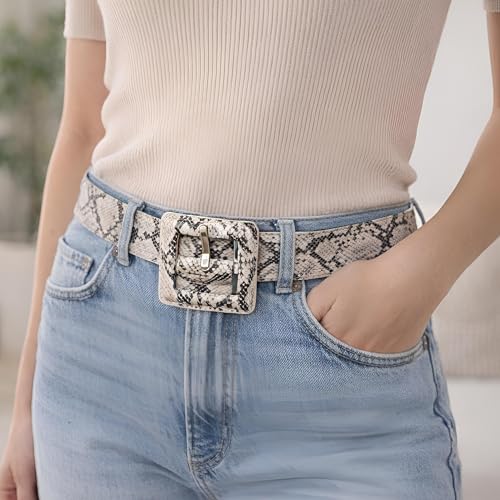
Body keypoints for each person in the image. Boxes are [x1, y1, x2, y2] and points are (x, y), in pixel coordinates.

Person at [1, 1, 500, 498]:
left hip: (337, 356)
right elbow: (84, 128)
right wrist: (26, 401)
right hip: (102, 357)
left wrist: (418, 275)